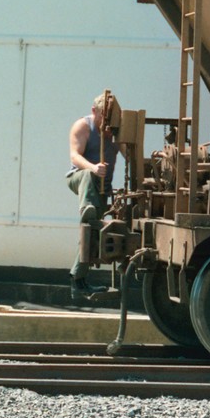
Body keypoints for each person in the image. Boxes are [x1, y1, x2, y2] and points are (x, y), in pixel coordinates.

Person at [66, 91, 118, 300]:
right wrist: (94, 168)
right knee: (87, 176)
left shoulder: (115, 132)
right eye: (102, 116)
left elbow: (129, 154)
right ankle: (86, 209)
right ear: (93, 111)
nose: (105, 122)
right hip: (79, 179)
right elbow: (74, 155)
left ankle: (78, 280)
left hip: (102, 189)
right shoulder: (83, 126)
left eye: (109, 118)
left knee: (92, 233)